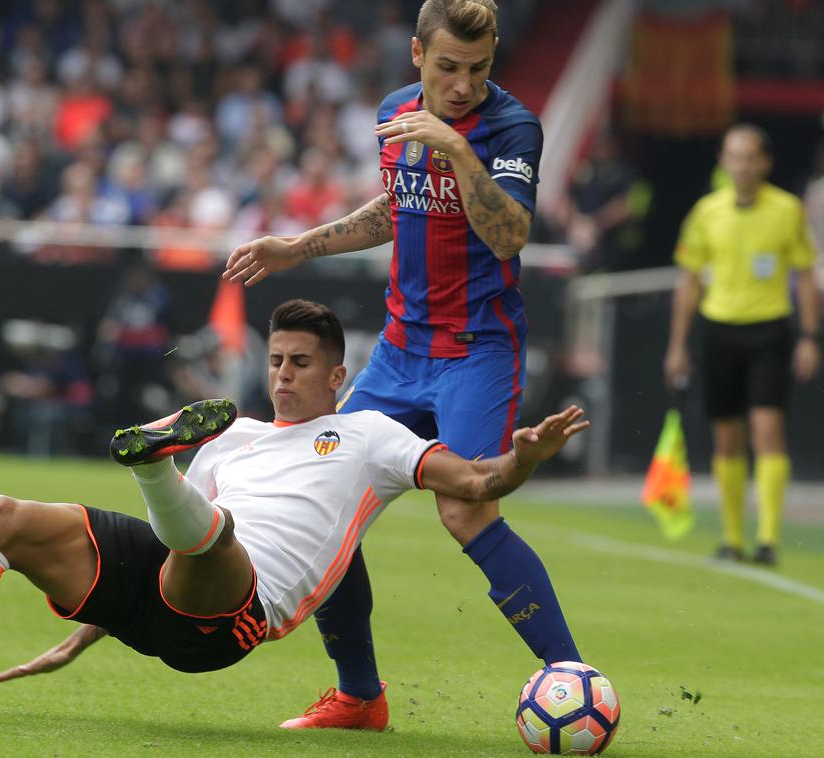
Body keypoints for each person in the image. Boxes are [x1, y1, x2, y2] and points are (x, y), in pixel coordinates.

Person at [0, 300, 588, 718]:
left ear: (337, 376)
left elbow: (477, 487)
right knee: (3, 514)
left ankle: (151, 468)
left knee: (214, 539)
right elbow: (168, 553)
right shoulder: (231, 437)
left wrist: (523, 457)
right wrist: (86, 634)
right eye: (275, 359)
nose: (282, 375)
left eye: (301, 363)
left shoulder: (369, 435)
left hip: (233, 616)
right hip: (174, 580)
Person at [222, 0, 581, 728]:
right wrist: (300, 246)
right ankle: (360, 696)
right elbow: (396, 209)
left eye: (478, 69)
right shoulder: (396, 111)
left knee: (466, 508)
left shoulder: (511, 128)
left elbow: (509, 236)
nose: (462, 83)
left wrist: (457, 146)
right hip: (397, 350)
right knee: (332, 496)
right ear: (417, 54)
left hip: (475, 352)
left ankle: (573, 680)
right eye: (448, 67)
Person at [663, 124, 822, 567]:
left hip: (770, 330)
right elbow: (689, 280)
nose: (742, 165)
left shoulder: (787, 210)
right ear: (723, 161)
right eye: (734, 156)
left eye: (750, 157)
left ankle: (769, 537)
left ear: (765, 162)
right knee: (727, 437)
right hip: (720, 331)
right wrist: (677, 345)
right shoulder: (707, 213)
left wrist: (809, 336)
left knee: (767, 431)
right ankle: (732, 538)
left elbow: (806, 275)